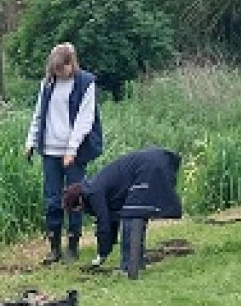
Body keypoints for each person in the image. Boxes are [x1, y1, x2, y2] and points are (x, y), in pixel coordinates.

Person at [24, 43, 102, 264]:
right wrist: (30, 141)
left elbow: (85, 120)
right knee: (52, 199)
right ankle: (54, 247)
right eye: (55, 69)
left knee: (74, 198)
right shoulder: (47, 83)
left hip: (73, 152)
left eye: (62, 68)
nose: (59, 73)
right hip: (50, 150)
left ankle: (73, 246)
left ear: (71, 64)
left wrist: (71, 150)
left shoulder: (86, 83)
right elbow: (39, 114)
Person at [65, 146, 184, 278]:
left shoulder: (94, 192)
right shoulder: (96, 186)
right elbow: (112, 221)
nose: (83, 211)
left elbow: (103, 224)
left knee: (132, 216)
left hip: (148, 167)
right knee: (135, 214)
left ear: (80, 200)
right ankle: (137, 263)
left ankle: (128, 268)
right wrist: (105, 250)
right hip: (159, 160)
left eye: (79, 209)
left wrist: (101, 255)